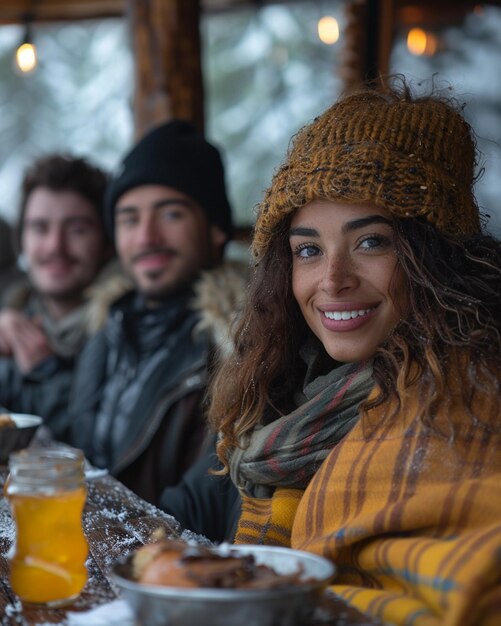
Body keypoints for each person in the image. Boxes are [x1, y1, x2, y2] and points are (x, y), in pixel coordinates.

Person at [206, 79, 501, 626]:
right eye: (309, 250)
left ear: (434, 258)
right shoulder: (292, 393)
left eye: (372, 242)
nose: (333, 280)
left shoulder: (467, 398)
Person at [68, 119, 247, 506]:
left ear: (216, 229)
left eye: (170, 214)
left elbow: (207, 508)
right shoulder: (107, 326)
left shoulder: (243, 347)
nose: (147, 236)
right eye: (130, 218)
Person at [0, 155, 116, 437]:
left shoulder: (125, 332)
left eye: (77, 229)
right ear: (22, 242)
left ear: (106, 241)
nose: (55, 246)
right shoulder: (13, 322)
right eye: (40, 228)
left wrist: (46, 371)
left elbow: (99, 456)